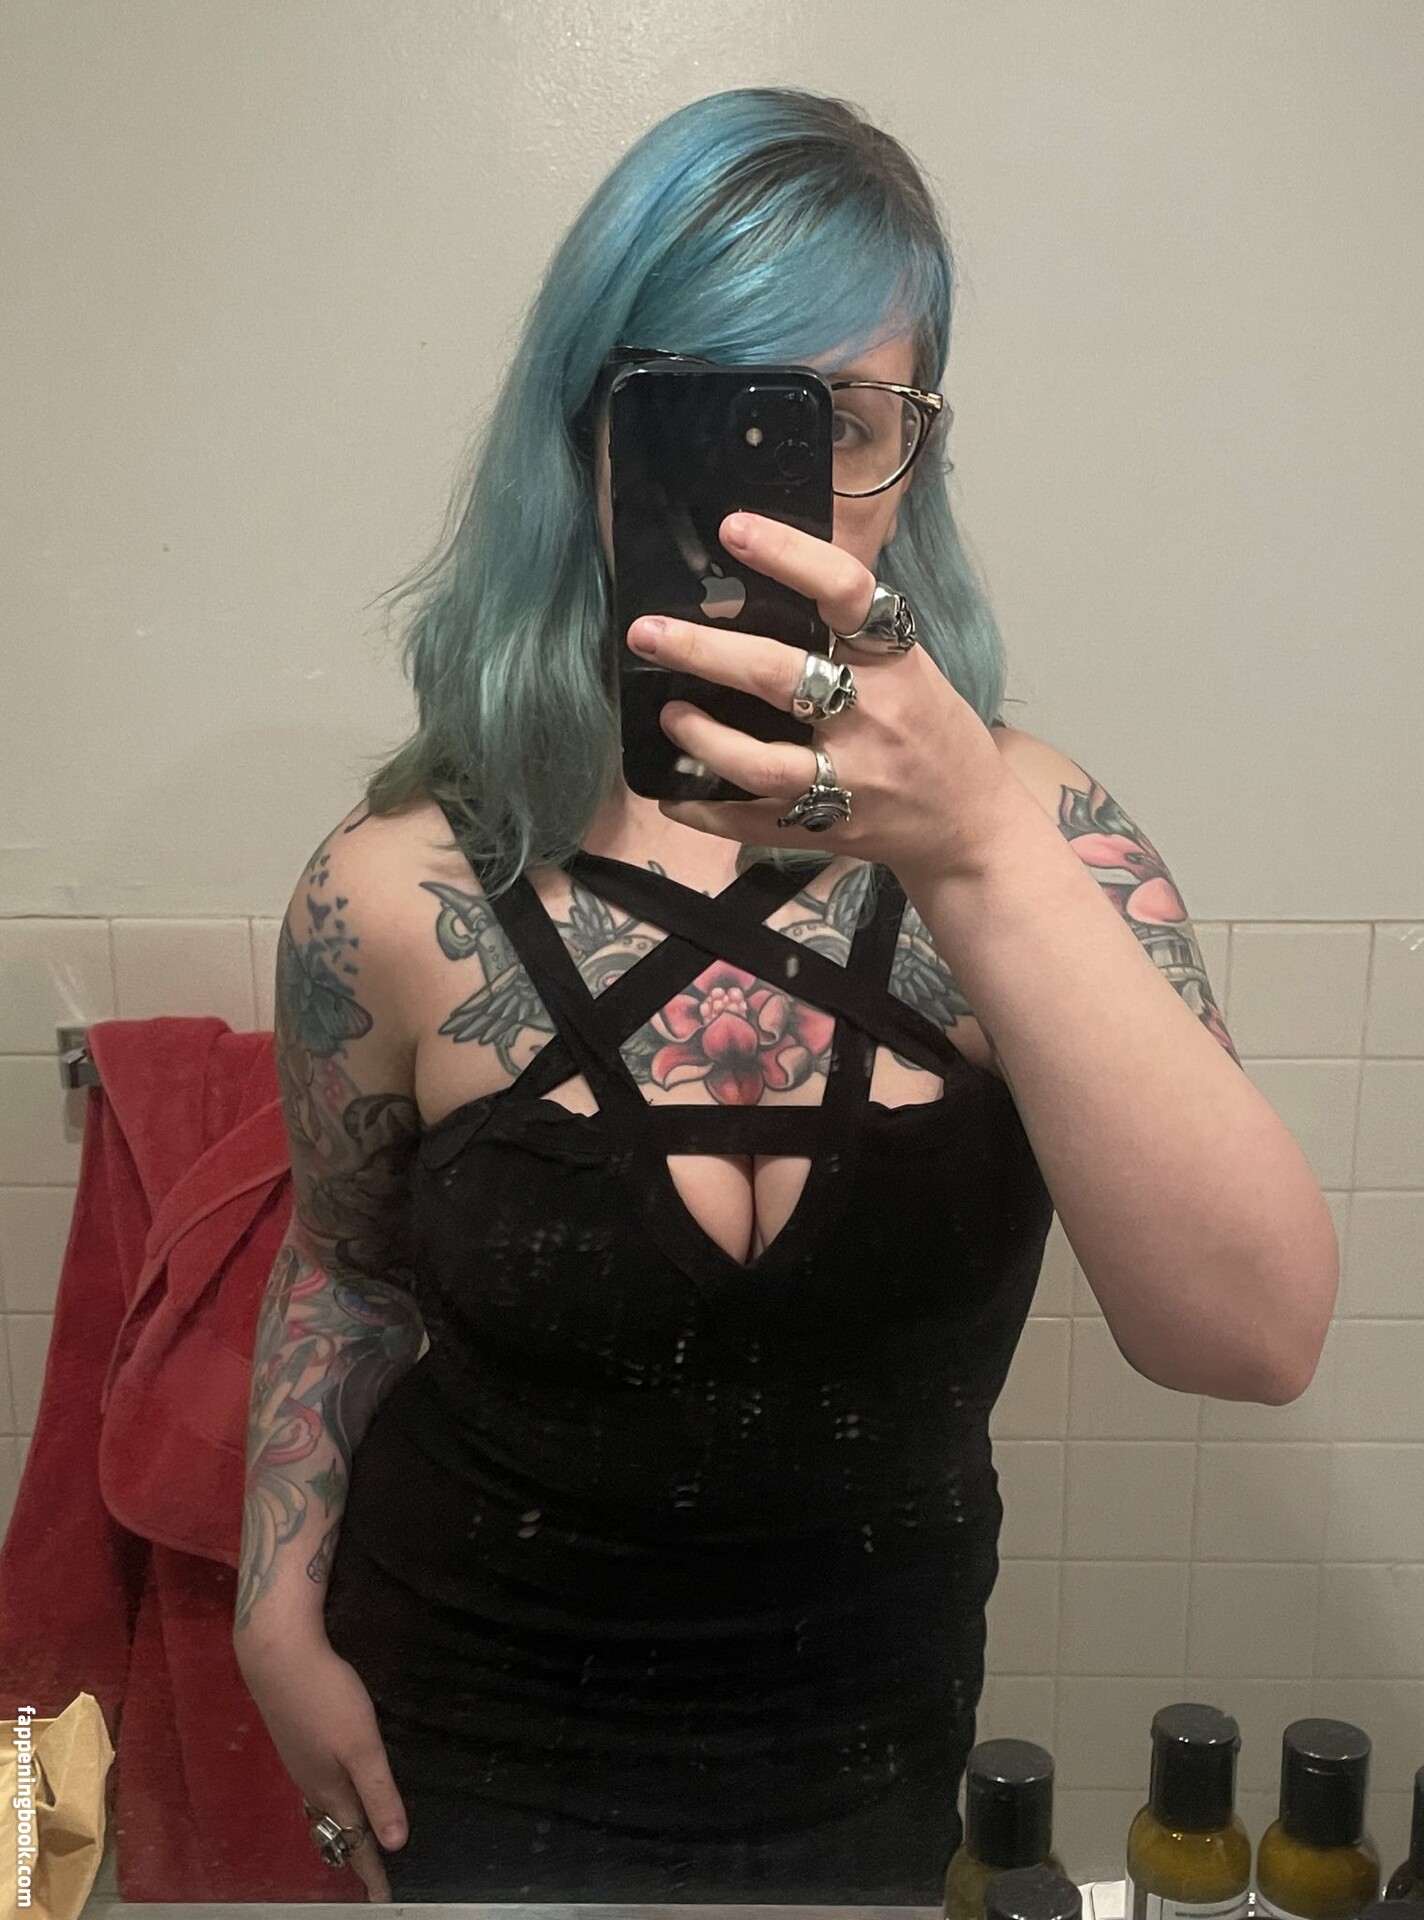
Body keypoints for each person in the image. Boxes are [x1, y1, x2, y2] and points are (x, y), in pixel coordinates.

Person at [232, 86, 1337, 1906]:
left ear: (917, 460)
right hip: (458, 1743)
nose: (771, 493)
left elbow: (1255, 1337)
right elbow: (346, 1264)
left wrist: (969, 843)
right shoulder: (396, 887)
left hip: (872, 1760)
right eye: (696, 408)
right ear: (585, 438)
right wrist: (271, 1597)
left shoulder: (1039, 842)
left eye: (845, 421)